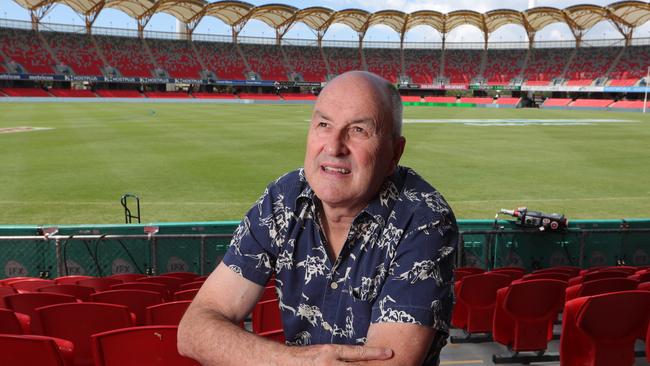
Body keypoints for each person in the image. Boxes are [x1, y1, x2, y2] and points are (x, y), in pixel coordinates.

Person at [178, 71, 458, 365]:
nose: (334, 146)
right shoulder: (284, 198)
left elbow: (386, 362)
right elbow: (194, 330)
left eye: (358, 130)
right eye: (324, 124)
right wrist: (294, 361)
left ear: (394, 155)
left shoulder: (423, 218)